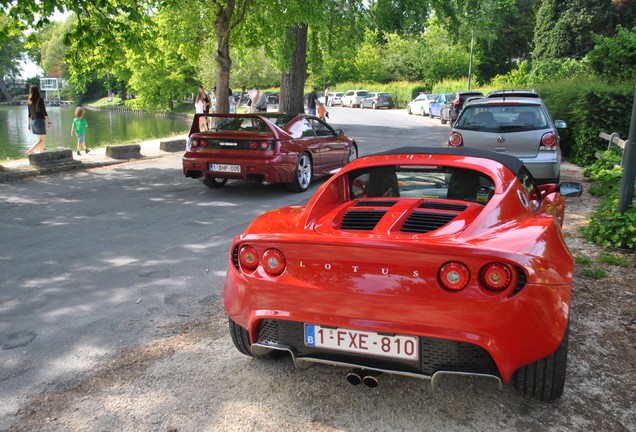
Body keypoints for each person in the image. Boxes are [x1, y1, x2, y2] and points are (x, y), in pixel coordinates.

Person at [25, 85, 51, 157]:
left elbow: (29, 114)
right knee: (42, 141)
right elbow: (44, 112)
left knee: (40, 141)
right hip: (39, 121)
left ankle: (42, 155)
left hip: (33, 122)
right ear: (37, 91)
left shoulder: (29, 101)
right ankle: (29, 152)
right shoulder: (40, 100)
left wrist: (29, 124)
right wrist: (49, 121)